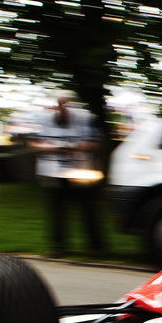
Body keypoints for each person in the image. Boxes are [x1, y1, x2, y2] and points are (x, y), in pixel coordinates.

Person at [31, 93, 104, 257]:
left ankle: (95, 247)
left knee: (87, 210)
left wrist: (77, 147)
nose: (63, 107)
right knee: (57, 212)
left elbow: (94, 142)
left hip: (79, 171)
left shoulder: (84, 118)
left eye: (66, 104)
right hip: (53, 173)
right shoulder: (45, 119)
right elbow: (34, 142)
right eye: (60, 104)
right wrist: (51, 148)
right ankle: (58, 247)